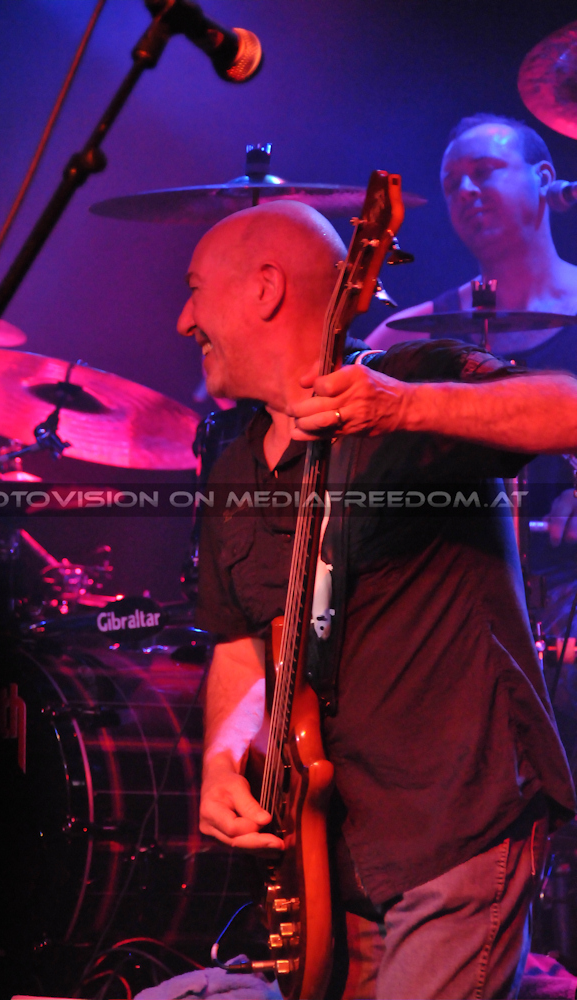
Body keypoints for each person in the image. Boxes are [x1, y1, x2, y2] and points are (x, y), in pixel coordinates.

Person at [176, 198, 576, 999]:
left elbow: (567, 409)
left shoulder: (413, 381)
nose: (184, 320)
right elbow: (245, 647)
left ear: (265, 289)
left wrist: (401, 406)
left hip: (454, 822)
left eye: (194, 291)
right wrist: (222, 760)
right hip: (334, 853)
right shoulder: (233, 467)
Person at [367, 114, 577, 640]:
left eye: (483, 172)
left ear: (545, 178)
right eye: (451, 184)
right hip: (454, 597)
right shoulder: (404, 334)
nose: (465, 191)